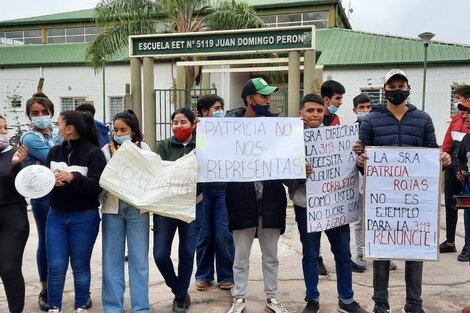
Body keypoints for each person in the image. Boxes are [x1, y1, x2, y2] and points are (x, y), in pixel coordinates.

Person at [357, 69, 451, 313]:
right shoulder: (370, 121)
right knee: (381, 250)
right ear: (384, 90)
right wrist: (362, 162)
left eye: (401, 85)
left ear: (409, 88)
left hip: (415, 198)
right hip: (381, 198)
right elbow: (360, 156)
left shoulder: (423, 119)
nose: (397, 89)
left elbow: (432, 150)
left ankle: (414, 304)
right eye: (392, 86)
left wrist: (443, 158)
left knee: (414, 246)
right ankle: (380, 304)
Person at [289, 93, 368, 313]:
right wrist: (298, 173)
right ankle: (312, 298)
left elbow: (355, 167)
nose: (315, 114)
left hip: (336, 205)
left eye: (319, 111)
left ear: (324, 113)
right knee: (311, 254)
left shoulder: (340, 139)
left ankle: (347, 299)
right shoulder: (290, 141)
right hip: (307, 206)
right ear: (301, 113)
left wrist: (358, 155)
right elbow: (284, 177)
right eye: (310, 110)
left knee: (343, 253)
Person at [225, 77, 289, 313]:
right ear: (250, 99)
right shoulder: (228, 127)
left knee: (271, 255)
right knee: (240, 256)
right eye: (263, 96)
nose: (268, 100)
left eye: (268, 96)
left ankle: (272, 297)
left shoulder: (279, 127)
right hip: (241, 199)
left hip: (271, 200)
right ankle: (239, 297)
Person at [46, 111, 106, 313]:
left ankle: (81, 304)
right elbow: (43, 180)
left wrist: (73, 177)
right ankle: (54, 306)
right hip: (55, 216)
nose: (56, 126)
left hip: (85, 217)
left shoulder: (93, 153)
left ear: (69, 129)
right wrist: (50, 181)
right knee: (55, 265)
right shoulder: (54, 152)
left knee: (80, 265)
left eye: (58, 123)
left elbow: (98, 186)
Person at [101, 110, 151, 313]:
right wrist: (116, 158)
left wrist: (126, 157)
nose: (119, 133)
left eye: (124, 130)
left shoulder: (145, 149)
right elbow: (104, 179)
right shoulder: (105, 150)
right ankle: (113, 307)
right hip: (112, 208)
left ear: (133, 131)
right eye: (116, 130)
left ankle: (141, 307)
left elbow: (148, 177)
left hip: (137, 209)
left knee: (139, 260)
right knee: (112, 259)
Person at [153, 107, 202, 313]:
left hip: (193, 205)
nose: (179, 126)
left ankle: (181, 297)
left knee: (188, 252)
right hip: (165, 206)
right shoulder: (163, 145)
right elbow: (160, 171)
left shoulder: (202, 145)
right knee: (160, 254)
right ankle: (177, 287)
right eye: (175, 122)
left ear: (193, 124)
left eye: (183, 122)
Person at [20, 93, 58, 311]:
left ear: (51, 112)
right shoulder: (30, 138)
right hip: (42, 198)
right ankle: (45, 289)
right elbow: (55, 157)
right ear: (29, 116)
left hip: (61, 196)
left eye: (44, 112)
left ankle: (58, 285)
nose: (41, 116)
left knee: (61, 244)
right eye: (36, 113)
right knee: (46, 242)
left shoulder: (56, 133)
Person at [194, 95, 235, 291]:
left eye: (221, 108)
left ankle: (226, 275)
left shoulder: (229, 131)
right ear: (204, 112)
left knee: (223, 233)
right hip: (202, 189)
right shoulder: (196, 132)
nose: (220, 111)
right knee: (204, 234)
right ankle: (203, 274)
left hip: (224, 189)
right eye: (216, 108)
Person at [0, 115, 30, 313]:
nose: (3, 133)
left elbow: (24, 187)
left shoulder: (14, 155)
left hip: (12, 216)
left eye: (4, 128)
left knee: (9, 269)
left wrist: (16, 165)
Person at [441, 85, 470, 262]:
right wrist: (444, 158)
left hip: (466, 167)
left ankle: (468, 244)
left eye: (458, 98)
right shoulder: (457, 118)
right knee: (451, 202)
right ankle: (450, 241)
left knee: (467, 208)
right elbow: (447, 139)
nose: (455, 102)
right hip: (453, 164)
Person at [350, 93, 372, 273]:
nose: (365, 110)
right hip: (358, 179)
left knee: (379, 218)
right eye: (361, 107)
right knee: (359, 220)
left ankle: (382, 255)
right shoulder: (349, 131)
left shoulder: (377, 127)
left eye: (368, 107)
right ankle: (359, 254)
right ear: (355, 110)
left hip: (379, 179)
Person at [455, 101, 470, 313]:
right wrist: (462, 171)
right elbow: (460, 160)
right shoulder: (467, 139)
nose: (464, 116)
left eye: (468, 112)